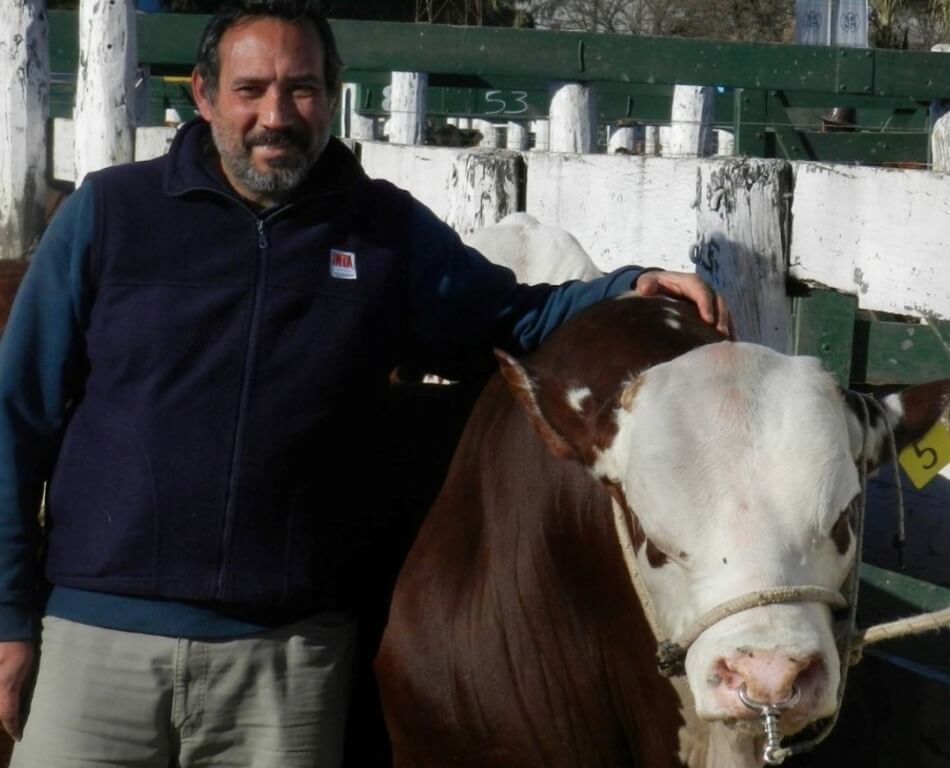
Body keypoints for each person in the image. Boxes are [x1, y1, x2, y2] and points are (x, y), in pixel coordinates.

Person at [0, 1, 731, 766]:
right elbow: (16, 419)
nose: (276, 116)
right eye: (250, 90)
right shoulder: (111, 214)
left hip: (287, 663)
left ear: (334, 94)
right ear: (205, 97)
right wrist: (8, 618)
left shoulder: (381, 232)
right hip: (96, 643)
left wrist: (630, 284)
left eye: (302, 89)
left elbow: (514, 313)